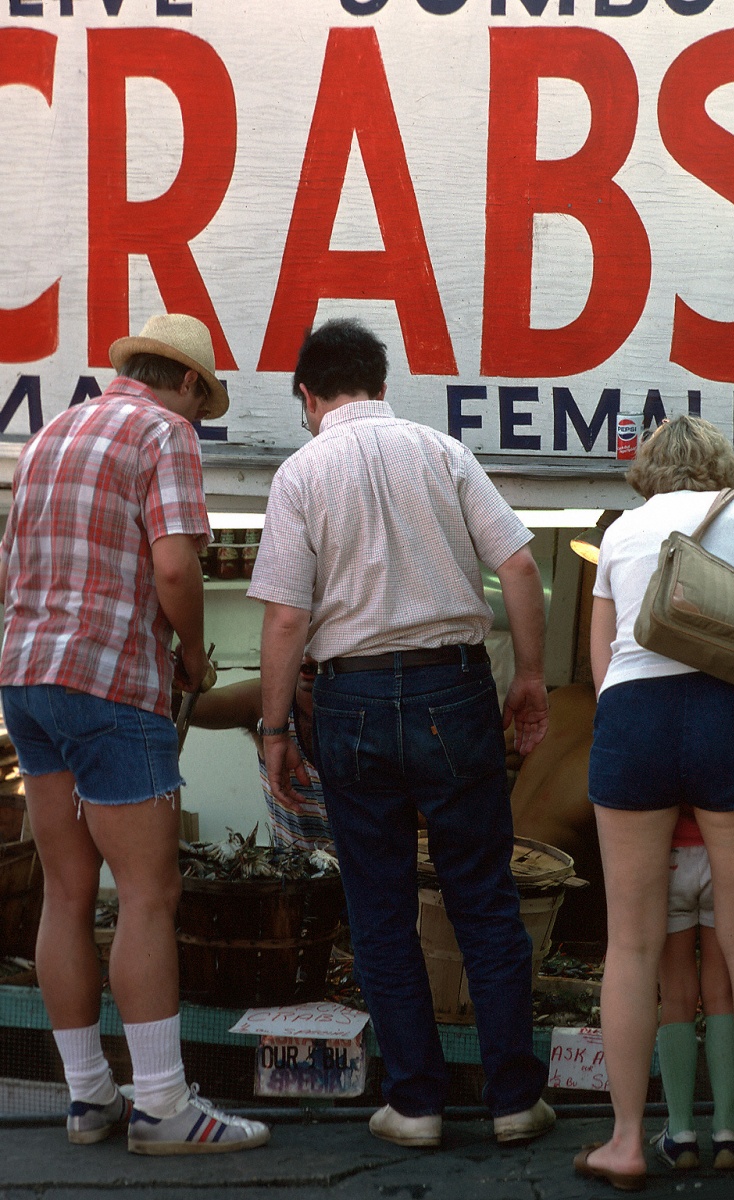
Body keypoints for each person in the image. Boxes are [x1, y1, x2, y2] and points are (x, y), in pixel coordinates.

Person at [247, 317, 554, 1149]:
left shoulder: (300, 472)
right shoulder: (441, 451)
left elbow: (285, 617)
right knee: (483, 898)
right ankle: (514, 1100)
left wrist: (275, 728)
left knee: (379, 909)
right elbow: (520, 566)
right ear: (383, 384)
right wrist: (528, 675)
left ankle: (415, 1104)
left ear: (309, 396)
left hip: (347, 700)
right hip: (453, 691)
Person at [0, 314, 269, 1156]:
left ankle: (88, 1099)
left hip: (27, 679)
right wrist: (192, 656)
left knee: (66, 891)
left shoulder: (49, 433)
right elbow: (176, 565)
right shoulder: (164, 432)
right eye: (203, 398)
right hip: (113, 682)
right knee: (150, 895)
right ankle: (162, 1105)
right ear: (186, 382)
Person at [574, 415, 734, 1191]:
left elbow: (601, 666)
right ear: (717, 464)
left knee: (632, 946)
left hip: (634, 722)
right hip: (729, 716)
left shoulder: (620, 532)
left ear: (649, 472)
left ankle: (629, 1142)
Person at [652, 805, 734, 1172]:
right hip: (721, 850)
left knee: (675, 993)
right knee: (722, 992)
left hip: (669, 855)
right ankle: (727, 1132)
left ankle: (680, 1136)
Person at [188, 657, 332, 851]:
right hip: (295, 875)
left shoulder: (376, 700)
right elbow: (185, 705)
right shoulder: (271, 701)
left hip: (372, 875)